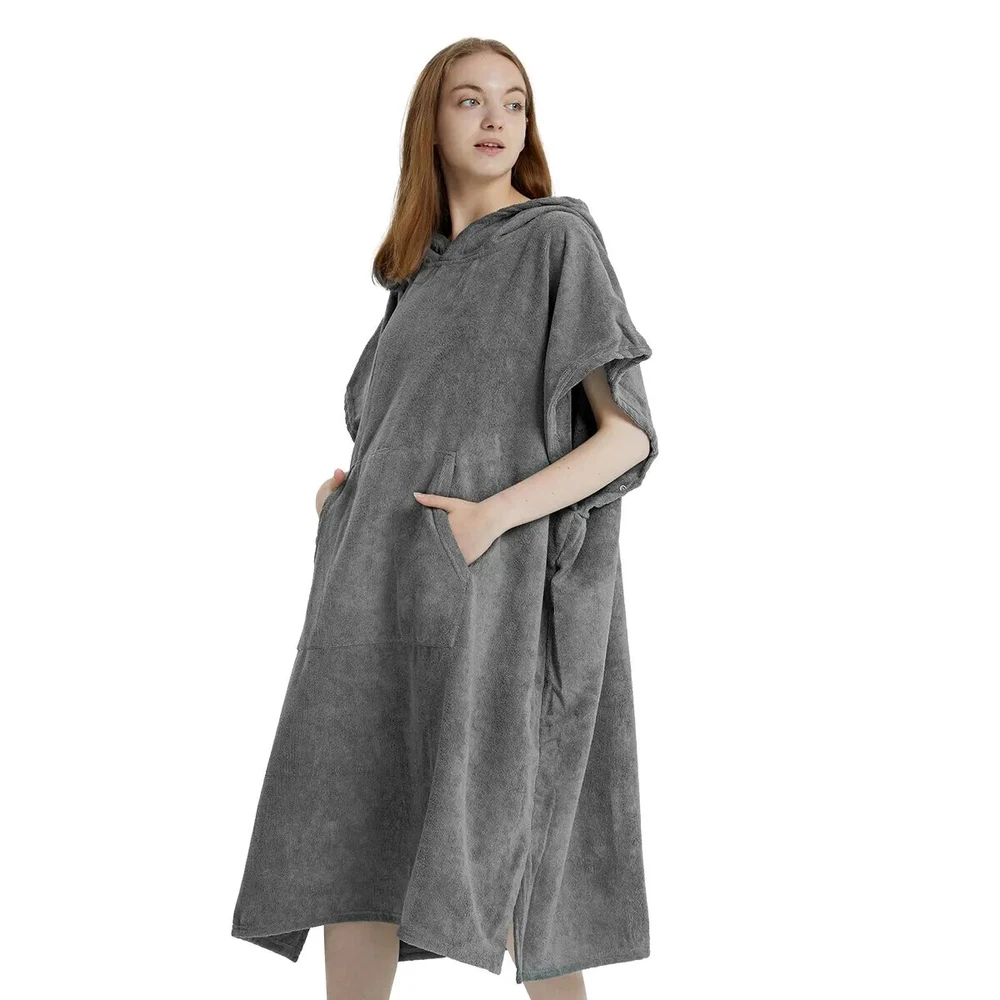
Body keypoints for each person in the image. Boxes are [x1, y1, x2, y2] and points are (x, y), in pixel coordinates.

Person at [231, 36, 659, 1000]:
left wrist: (491, 518)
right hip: (372, 593)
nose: (496, 119)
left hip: (487, 591)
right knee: (353, 834)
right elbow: (400, 426)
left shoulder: (556, 242)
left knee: (514, 842)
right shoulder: (412, 277)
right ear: (431, 121)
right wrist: (344, 504)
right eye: (470, 100)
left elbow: (626, 437)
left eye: (514, 101)